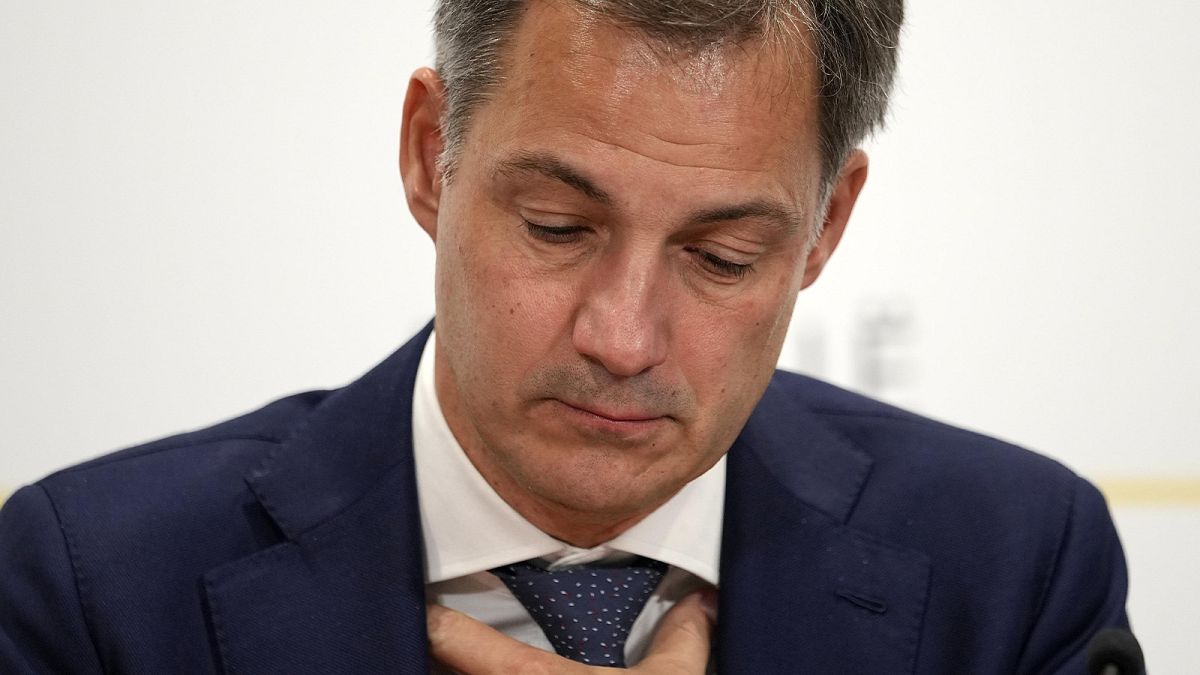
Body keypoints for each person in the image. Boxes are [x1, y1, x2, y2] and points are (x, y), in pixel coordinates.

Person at [0, 0, 1134, 673]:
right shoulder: (95, 587)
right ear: (428, 151)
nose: (624, 337)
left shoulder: (1019, 566)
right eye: (557, 226)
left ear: (826, 227)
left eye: (720, 257)